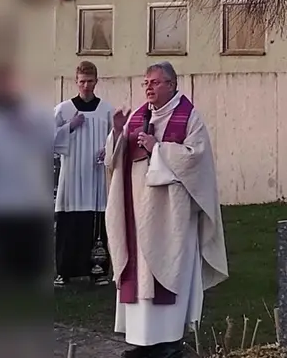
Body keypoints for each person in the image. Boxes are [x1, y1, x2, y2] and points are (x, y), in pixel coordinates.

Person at [104, 61, 228, 358]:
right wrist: (118, 133)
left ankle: (169, 342)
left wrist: (157, 147)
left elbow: (196, 158)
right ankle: (142, 341)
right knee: (139, 274)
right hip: (136, 211)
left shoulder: (189, 118)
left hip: (172, 215)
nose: (148, 87)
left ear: (172, 85)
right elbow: (114, 161)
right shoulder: (137, 116)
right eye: (146, 82)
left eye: (156, 82)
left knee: (169, 269)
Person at [0, 58, 52, 286]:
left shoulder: (34, 113)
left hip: (29, 195)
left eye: (7, 81)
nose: (3, 86)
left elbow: (49, 144)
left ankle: (29, 281)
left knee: (29, 259)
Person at [54, 60, 113, 286]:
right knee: (69, 221)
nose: (86, 86)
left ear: (96, 81)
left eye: (90, 81)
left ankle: (97, 270)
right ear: (75, 82)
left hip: (95, 174)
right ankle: (64, 270)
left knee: (96, 221)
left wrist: (107, 151)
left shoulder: (106, 109)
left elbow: (115, 138)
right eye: (82, 82)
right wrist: (69, 126)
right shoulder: (64, 110)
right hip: (71, 174)